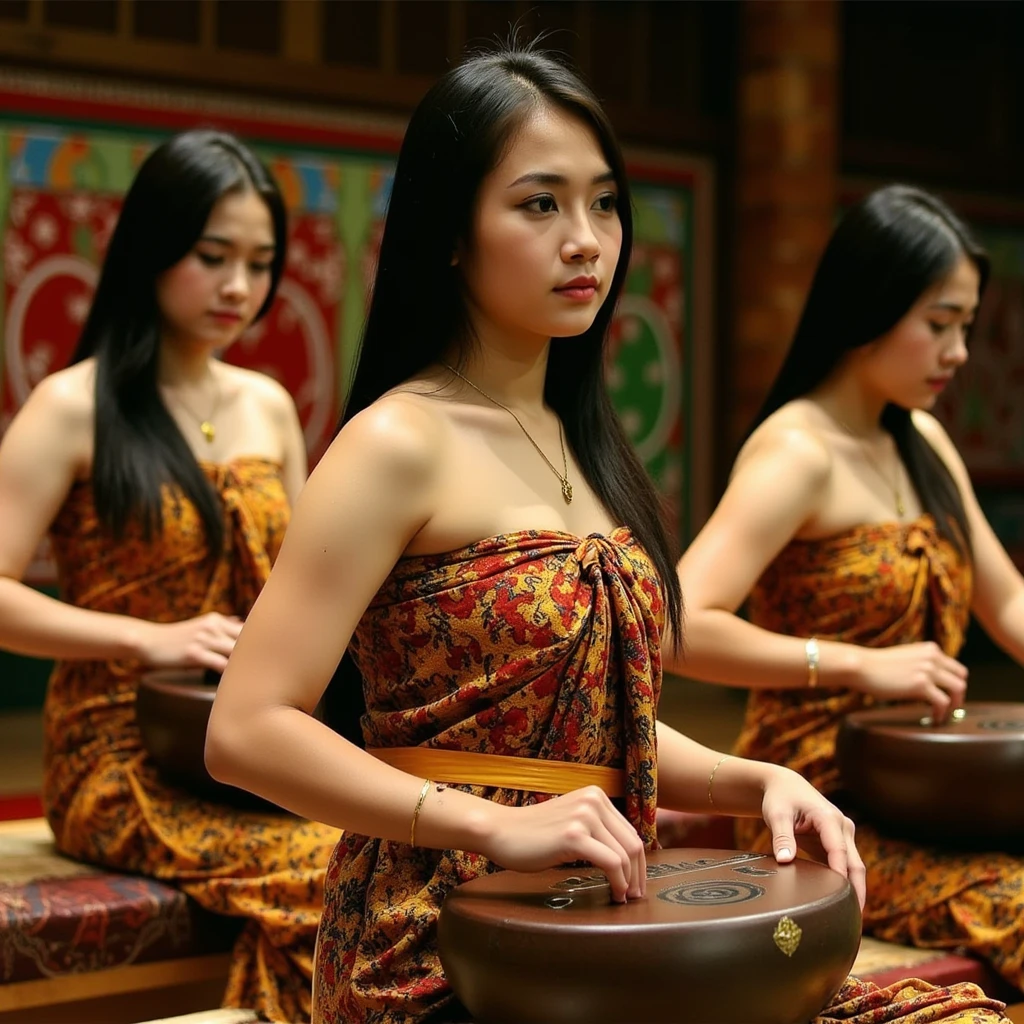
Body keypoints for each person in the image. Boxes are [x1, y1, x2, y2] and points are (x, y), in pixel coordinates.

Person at [206, 46, 1005, 1024]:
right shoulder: (395, 441)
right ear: (450, 231)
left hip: (597, 910)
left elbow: (593, 734)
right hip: (439, 943)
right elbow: (244, 728)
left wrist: (759, 781)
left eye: (604, 204)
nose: (585, 239)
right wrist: (483, 827)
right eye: (539, 204)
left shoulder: (586, 446)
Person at [0, 129, 340, 1023]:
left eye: (261, 263)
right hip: (120, 753)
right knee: (338, 873)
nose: (239, 287)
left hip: (247, 744)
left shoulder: (266, 405)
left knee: (393, 854)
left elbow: (308, 586)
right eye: (212, 256)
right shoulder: (71, 406)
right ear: (153, 248)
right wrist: (145, 638)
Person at [672, 183, 1024, 992]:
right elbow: (678, 626)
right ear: (871, 307)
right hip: (816, 799)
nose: (960, 351)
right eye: (939, 324)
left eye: (966, 327)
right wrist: (859, 665)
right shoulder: (799, 452)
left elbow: (1006, 603)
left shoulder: (924, 441)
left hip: (931, 788)